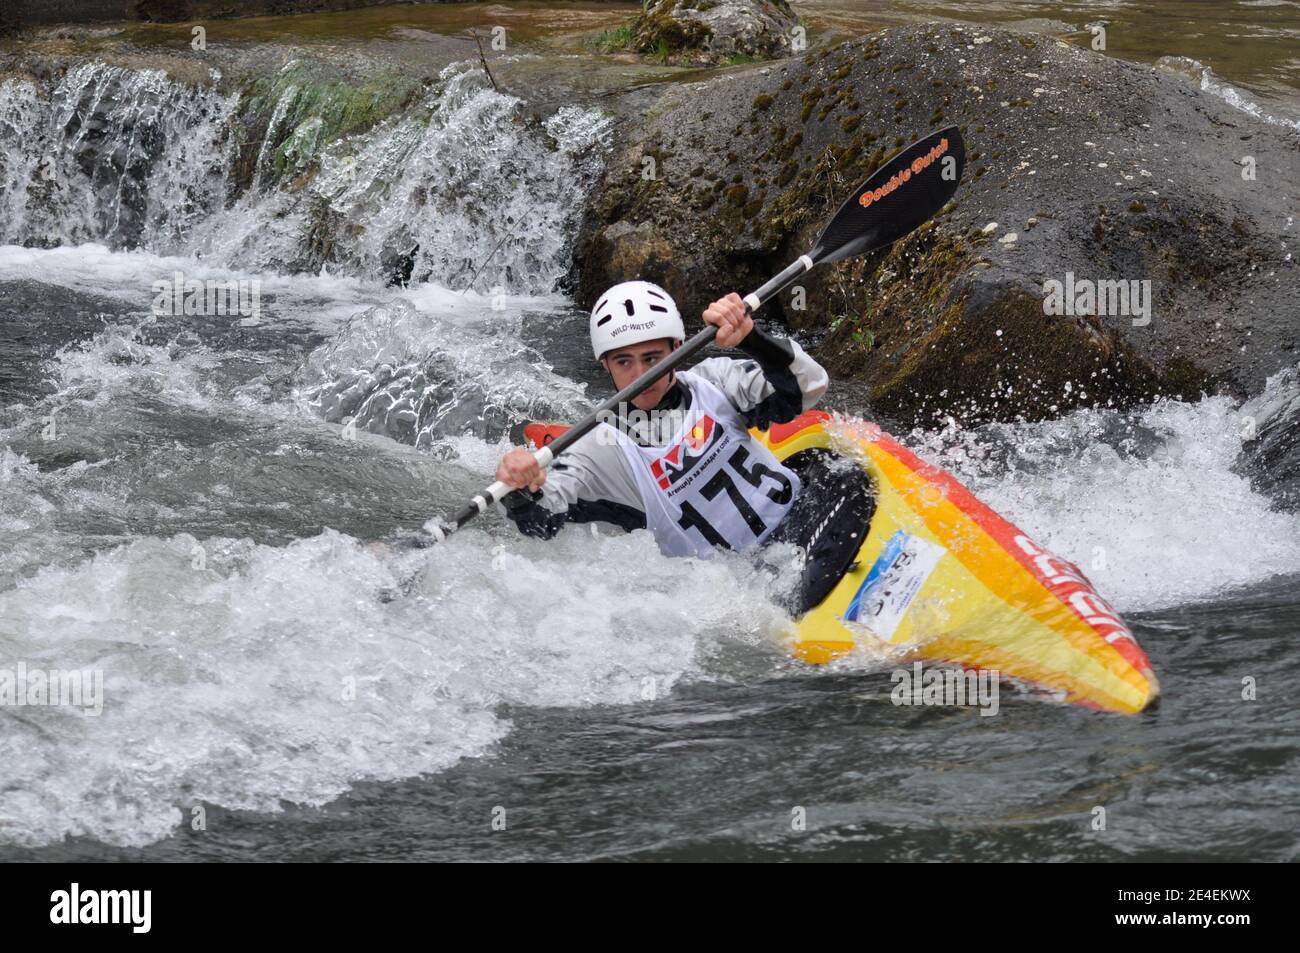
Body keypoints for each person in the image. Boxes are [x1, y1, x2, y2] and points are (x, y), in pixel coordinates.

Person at [493, 280, 831, 558]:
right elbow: (541, 520)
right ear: (605, 366)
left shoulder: (714, 382)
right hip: (748, 579)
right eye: (624, 362)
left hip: (806, 515)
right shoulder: (598, 449)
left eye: (652, 358)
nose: (640, 375)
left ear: (677, 348)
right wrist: (520, 487)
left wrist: (752, 339)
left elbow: (809, 386)